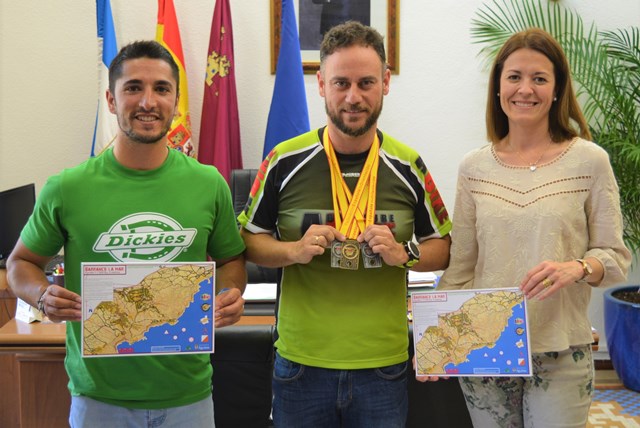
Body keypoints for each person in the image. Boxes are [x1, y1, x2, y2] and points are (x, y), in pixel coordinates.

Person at [6, 40, 247, 427]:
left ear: (175, 101)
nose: (148, 101)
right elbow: (21, 263)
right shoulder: (68, 187)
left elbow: (232, 259)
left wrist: (229, 293)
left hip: (189, 396)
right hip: (99, 400)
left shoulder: (209, 183)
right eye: (133, 87)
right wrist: (42, 293)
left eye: (162, 89)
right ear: (112, 99)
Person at [238, 21, 452, 427]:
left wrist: (402, 253)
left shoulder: (409, 165)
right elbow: (249, 240)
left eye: (366, 82)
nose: (353, 97)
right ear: (321, 84)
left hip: (382, 367)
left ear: (385, 82)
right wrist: (293, 251)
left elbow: (443, 246)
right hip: (301, 364)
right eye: (341, 83)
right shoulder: (283, 160)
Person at [434, 28, 631, 427]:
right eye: (514, 77)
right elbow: (461, 267)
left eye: (539, 78)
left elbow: (615, 256)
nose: (526, 89)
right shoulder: (474, 167)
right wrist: (437, 342)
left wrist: (576, 267)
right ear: (498, 87)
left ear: (557, 90)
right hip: (486, 347)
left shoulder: (590, 162)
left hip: (562, 348)